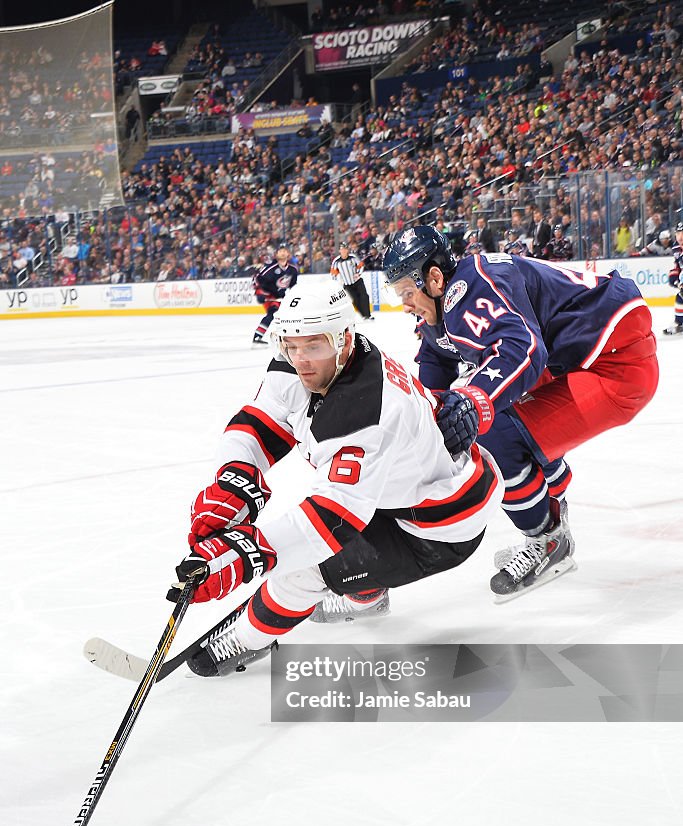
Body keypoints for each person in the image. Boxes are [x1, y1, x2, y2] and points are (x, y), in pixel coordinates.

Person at [168, 279, 502, 675]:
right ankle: (367, 591)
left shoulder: (366, 410)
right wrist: (233, 480)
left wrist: (245, 554)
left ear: (344, 338)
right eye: (291, 346)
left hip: (437, 528)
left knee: (302, 572)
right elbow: (261, 419)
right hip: (394, 493)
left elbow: (332, 522)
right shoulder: (309, 360)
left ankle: (244, 640)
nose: (301, 360)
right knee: (326, 548)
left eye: (314, 346)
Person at [382, 225, 659, 600]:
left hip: (617, 364)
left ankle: (547, 540)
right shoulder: (452, 294)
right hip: (592, 351)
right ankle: (553, 502)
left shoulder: (468, 291)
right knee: (503, 416)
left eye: (406, 292)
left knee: (488, 432)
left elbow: (522, 349)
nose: (405, 303)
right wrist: (429, 414)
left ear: (432, 277)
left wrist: (472, 399)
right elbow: (437, 353)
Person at [251, 246, 298, 344]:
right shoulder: (270, 267)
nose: (283, 253)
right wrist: (259, 293)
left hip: (279, 296)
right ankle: (258, 336)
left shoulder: (293, 270)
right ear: (276, 254)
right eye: (280, 251)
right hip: (268, 294)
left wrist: (293, 296)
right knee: (273, 313)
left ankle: (286, 336)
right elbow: (257, 278)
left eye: (285, 251)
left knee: (283, 315)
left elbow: (293, 286)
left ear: (288, 254)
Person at [330, 241, 374, 320]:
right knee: (355, 300)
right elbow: (333, 273)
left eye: (345, 249)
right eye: (342, 249)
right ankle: (364, 315)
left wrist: (358, 274)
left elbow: (360, 266)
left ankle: (368, 315)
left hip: (357, 281)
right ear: (340, 251)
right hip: (347, 285)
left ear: (347, 250)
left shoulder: (353, 257)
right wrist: (337, 283)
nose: (343, 251)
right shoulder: (336, 261)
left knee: (364, 296)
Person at [664, 221, 683, 335]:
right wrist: (675, 277)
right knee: (680, 297)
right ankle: (680, 322)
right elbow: (678, 265)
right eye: (678, 233)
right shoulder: (676, 247)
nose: (680, 236)